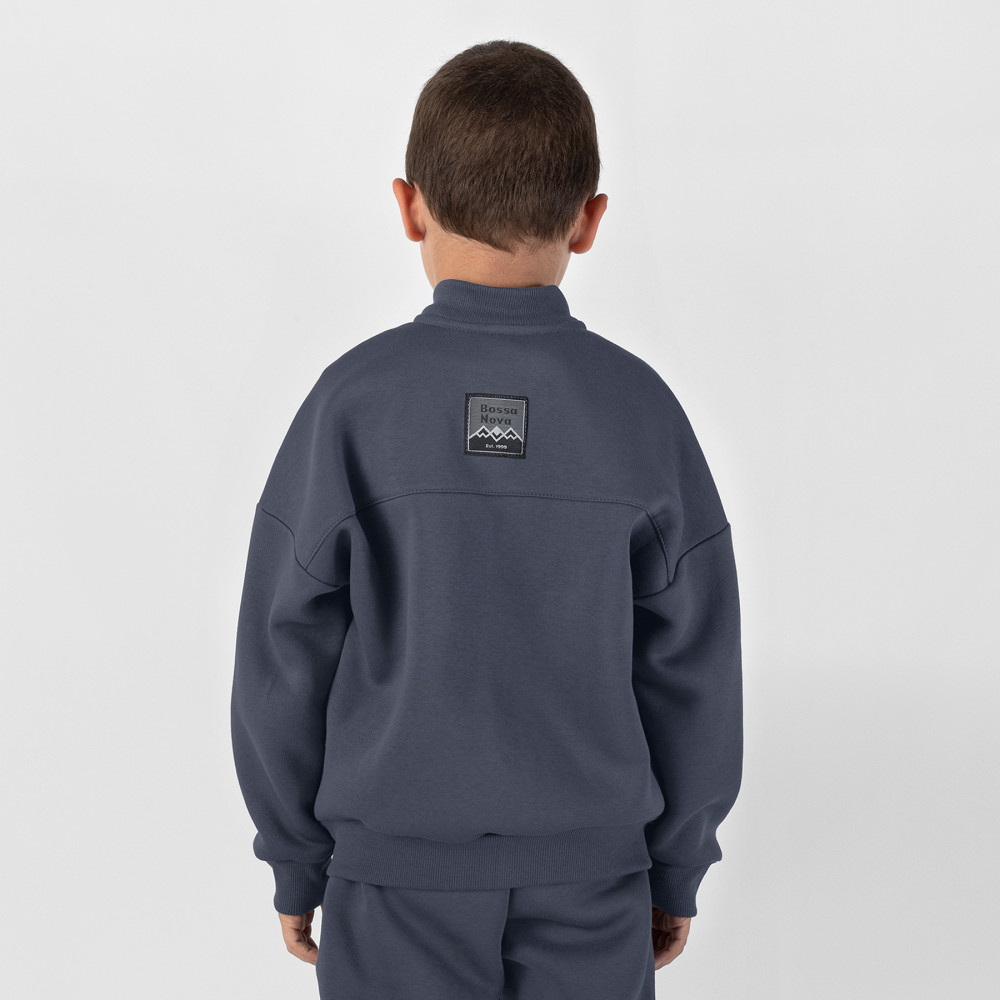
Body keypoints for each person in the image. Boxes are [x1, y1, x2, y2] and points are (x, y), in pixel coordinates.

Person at [230, 39, 743, 1000]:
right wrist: (677, 865)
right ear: (588, 221)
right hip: (596, 885)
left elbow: (282, 649)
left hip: (391, 887)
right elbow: (695, 667)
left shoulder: (352, 404)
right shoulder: (641, 413)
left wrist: (295, 859)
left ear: (408, 206)